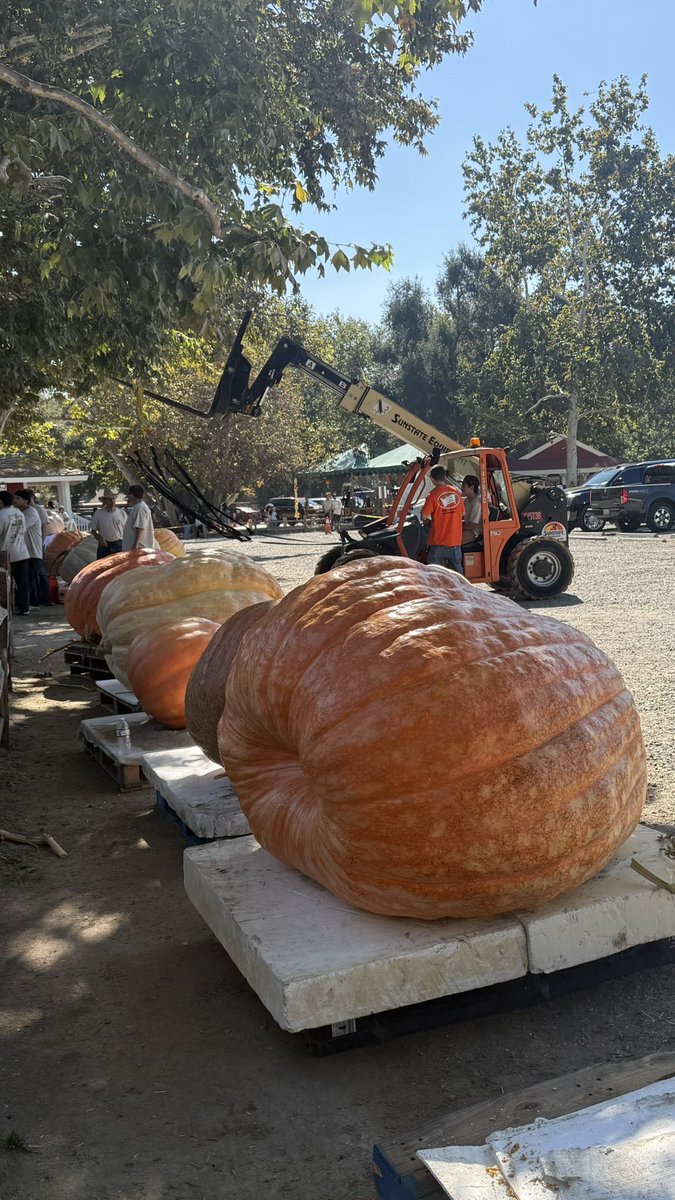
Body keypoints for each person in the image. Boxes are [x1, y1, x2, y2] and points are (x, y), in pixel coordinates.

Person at [421, 465, 465, 573]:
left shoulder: (432, 495)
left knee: (435, 575)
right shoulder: (456, 492)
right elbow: (463, 512)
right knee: (458, 574)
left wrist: (428, 521)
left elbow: (424, 515)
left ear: (432, 479)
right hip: (455, 541)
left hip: (438, 542)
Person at [13, 490, 52, 605]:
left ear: (26, 501)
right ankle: (33, 602)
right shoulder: (17, 512)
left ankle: (43, 599)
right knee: (27, 579)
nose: (14, 500)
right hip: (23, 552)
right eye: (14, 498)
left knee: (34, 577)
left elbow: (20, 527)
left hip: (33, 551)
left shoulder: (32, 512)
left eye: (18, 498)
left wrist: (41, 543)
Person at [0, 491, 31, 614]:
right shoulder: (19, 513)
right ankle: (24, 608)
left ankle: (5, 609)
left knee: (4, 584)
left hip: (5, 554)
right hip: (22, 552)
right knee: (22, 583)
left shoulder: (1, 515)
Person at [91, 487, 127, 558]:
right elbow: (93, 531)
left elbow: (127, 531)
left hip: (119, 545)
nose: (112, 501)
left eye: (113, 499)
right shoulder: (98, 513)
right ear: (104, 501)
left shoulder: (122, 513)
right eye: (109, 499)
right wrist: (100, 539)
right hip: (104, 545)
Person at [121, 484, 155, 551]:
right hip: (137, 548)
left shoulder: (140, 508)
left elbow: (140, 528)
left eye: (129, 494)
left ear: (133, 495)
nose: (128, 496)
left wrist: (135, 546)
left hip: (140, 548)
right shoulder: (137, 507)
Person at [461, 475, 482, 546]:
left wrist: (458, 528)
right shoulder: (467, 500)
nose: (461, 488)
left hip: (474, 532)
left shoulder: (477, 503)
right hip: (467, 527)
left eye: (463, 486)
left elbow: (471, 525)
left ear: (472, 488)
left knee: (455, 541)